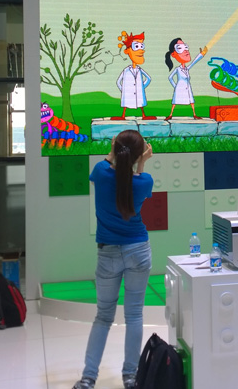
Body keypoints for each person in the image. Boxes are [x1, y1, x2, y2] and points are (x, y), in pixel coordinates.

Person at [73, 130, 155, 389]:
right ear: (140, 155)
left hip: (108, 253)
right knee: (134, 315)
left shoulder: (100, 172)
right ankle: (130, 377)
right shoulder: (145, 181)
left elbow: (110, 166)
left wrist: (113, 151)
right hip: (138, 251)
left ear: (115, 148)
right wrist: (141, 163)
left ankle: (88, 378)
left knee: (103, 317)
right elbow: (135, 181)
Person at [112, 31, 155, 120]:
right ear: (127, 51)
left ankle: (143, 115)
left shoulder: (139, 69)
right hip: (128, 93)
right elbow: (118, 82)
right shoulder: (126, 70)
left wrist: (141, 87)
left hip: (138, 91)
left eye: (142, 46)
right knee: (126, 103)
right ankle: (123, 115)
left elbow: (148, 78)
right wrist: (124, 90)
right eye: (136, 46)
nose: (141, 50)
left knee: (140, 102)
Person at [164, 38, 208, 120]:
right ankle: (170, 115)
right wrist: (176, 86)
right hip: (180, 87)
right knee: (175, 101)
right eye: (180, 48)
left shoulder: (186, 69)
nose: (186, 51)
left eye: (186, 47)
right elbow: (170, 77)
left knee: (191, 100)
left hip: (187, 87)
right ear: (173, 54)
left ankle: (194, 114)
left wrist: (201, 54)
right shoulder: (178, 69)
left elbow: (194, 62)